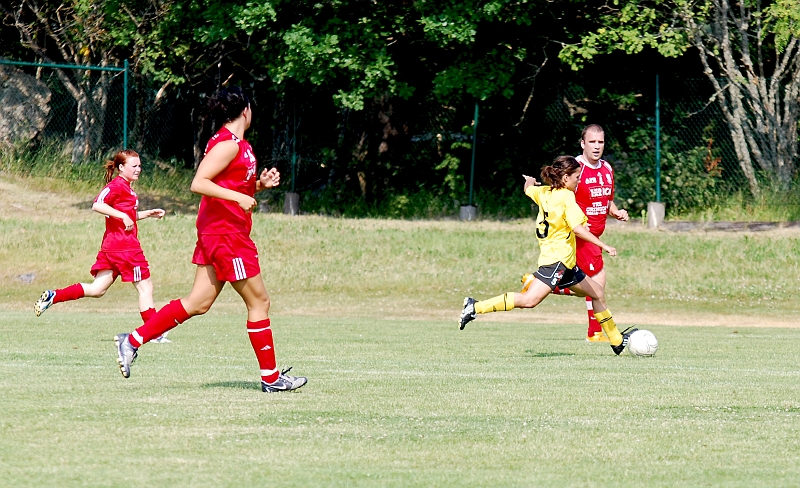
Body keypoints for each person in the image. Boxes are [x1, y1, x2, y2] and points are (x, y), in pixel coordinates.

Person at [113, 86, 307, 393]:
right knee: (259, 301)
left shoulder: (240, 145)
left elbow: (231, 188)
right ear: (246, 110)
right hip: (226, 235)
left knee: (198, 303)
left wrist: (258, 186)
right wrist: (238, 197)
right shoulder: (228, 145)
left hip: (221, 232)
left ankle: (132, 340)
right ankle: (271, 379)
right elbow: (199, 183)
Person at [458, 155, 636, 355]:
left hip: (566, 263)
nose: (579, 181)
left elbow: (528, 190)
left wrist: (529, 181)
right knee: (529, 301)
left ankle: (617, 340)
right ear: (567, 178)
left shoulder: (544, 192)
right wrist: (604, 245)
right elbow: (578, 229)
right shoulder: (567, 197)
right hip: (556, 262)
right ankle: (475, 307)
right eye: (577, 177)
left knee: (597, 292)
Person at [34, 150, 166, 338]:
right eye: (134, 166)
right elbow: (98, 204)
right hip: (126, 248)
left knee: (97, 289)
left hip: (112, 247)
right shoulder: (117, 186)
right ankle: (154, 333)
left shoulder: (128, 188)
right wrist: (122, 215)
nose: (138, 169)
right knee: (145, 288)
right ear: (121, 168)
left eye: (139, 166)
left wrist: (147, 213)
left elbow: (126, 216)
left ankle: (54, 295)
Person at [545, 124, 629, 342]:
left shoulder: (607, 168)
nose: (597, 146)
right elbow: (559, 200)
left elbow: (606, 200)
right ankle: (597, 333)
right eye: (592, 142)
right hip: (580, 236)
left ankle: (545, 284)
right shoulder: (575, 169)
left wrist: (616, 212)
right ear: (583, 144)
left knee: (591, 285)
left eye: (600, 142)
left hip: (595, 236)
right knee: (596, 284)